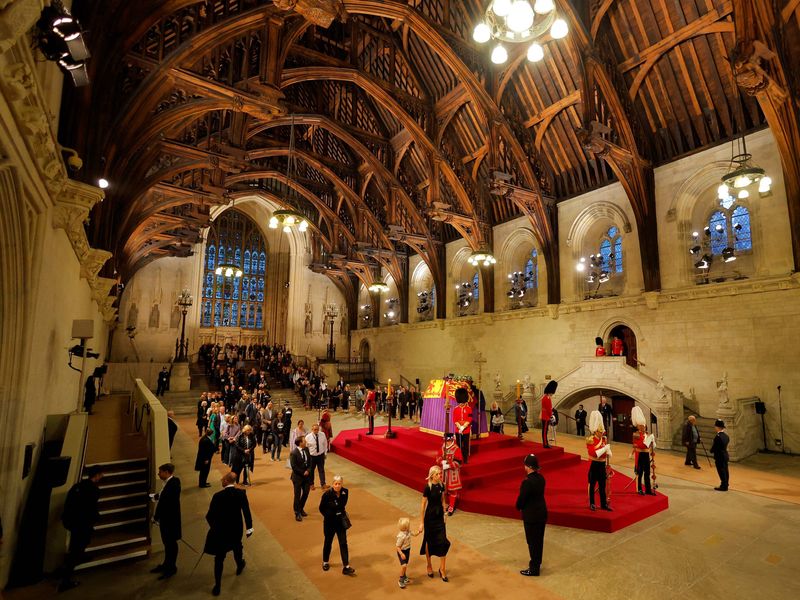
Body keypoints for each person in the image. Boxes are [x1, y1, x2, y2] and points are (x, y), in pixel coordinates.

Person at [204, 472, 253, 596]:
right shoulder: (241, 494)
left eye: (222, 479)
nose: (221, 481)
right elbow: (246, 511)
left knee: (219, 558)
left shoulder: (217, 496)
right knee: (237, 547)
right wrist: (249, 528)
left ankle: (217, 585)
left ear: (226, 481)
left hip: (221, 531)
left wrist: (215, 528)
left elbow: (209, 516)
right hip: (236, 529)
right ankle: (239, 565)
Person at [59, 465, 103, 592]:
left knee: (76, 546)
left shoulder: (77, 487)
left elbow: (69, 503)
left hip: (74, 522)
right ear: (97, 475)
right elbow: (91, 508)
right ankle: (65, 580)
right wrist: (95, 518)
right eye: (101, 474)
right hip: (83, 524)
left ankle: (77, 559)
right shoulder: (94, 490)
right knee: (76, 549)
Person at [516, 454, 547, 577]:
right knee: (539, 541)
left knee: (532, 542)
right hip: (541, 514)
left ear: (528, 467)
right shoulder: (541, 478)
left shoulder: (527, 482)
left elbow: (521, 500)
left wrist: (518, 506)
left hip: (531, 516)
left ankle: (534, 568)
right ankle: (537, 564)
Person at [419, 465, 450, 582]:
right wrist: (421, 522)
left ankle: (442, 568)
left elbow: (443, 499)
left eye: (440, 473)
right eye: (437, 474)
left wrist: (445, 511)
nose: (439, 476)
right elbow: (423, 505)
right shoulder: (428, 487)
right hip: (430, 518)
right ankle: (429, 565)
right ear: (432, 475)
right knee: (429, 541)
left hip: (439, 518)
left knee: (443, 541)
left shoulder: (442, 485)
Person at [319, 475, 355, 575]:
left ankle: (346, 566)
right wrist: (329, 516)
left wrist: (338, 511)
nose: (338, 486)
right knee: (328, 542)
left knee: (343, 543)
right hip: (329, 523)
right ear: (332, 484)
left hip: (340, 523)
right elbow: (321, 508)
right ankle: (325, 561)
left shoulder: (345, 492)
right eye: (336, 484)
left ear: (342, 484)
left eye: (339, 484)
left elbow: (342, 505)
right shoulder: (327, 495)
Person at [151, 463, 181, 579]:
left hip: (170, 521)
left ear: (167, 472)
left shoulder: (173, 484)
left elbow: (164, 503)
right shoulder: (170, 482)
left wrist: (155, 517)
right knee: (167, 544)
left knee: (171, 545)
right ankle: (166, 564)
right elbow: (162, 495)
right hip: (167, 520)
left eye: (160, 472)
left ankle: (171, 567)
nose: (158, 474)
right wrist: (154, 497)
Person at [586, 411, 612, 511]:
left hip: (602, 464)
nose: (602, 433)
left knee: (602, 485)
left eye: (602, 432)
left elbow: (607, 454)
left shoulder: (604, 440)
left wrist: (608, 451)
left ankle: (603, 504)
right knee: (592, 484)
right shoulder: (591, 440)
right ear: (596, 431)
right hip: (594, 464)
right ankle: (592, 503)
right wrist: (605, 449)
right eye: (600, 432)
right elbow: (593, 453)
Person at [630, 406, 656, 496]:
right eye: (641, 425)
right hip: (640, 454)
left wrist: (652, 441)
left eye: (644, 425)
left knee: (647, 472)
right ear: (638, 426)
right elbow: (639, 445)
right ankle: (639, 489)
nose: (643, 427)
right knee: (640, 472)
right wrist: (648, 441)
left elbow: (651, 445)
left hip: (646, 454)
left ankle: (648, 489)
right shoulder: (636, 434)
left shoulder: (647, 434)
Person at [437, 434, 463, 515]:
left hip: (452, 473)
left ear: (452, 440)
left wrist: (449, 465)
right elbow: (438, 457)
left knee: (452, 490)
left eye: (448, 441)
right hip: (443, 473)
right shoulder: (443, 447)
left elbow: (459, 462)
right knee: (443, 489)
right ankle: (444, 504)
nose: (447, 442)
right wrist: (441, 462)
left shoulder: (456, 449)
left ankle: (451, 506)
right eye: (446, 441)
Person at [290, 436, 313, 521]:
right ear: (300, 443)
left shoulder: (306, 449)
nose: (306, 442)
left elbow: (310, 462)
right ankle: (297, 513)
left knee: (306, 493)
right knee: (297, 495)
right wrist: (303, 472)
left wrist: (308, 470)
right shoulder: (294, 453)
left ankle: (300, 508)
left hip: (306, 477)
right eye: (304, 441)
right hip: (297, 478)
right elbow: (294, 466)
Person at [395, 517, 420, 589]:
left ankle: (404, 576)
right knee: (404, 565)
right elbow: (397, 547)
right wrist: (401, 554)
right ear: (406, 527)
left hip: (407, 550)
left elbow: (414, 534)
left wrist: (419, 532)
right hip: (401, 552)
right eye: (408, 525)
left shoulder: (408, 531)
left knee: (406, 564)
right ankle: (401, 580)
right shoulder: (401, 536)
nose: (409, 526)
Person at [306, 423, 329, 490]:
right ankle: (311, 484)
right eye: (315, 429)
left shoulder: (322, 434)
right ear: (312, 429)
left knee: (321, 470)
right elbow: (306, 447)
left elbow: (325, 444)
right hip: (312, 456)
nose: (316, 431)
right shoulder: (308, 437)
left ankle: (323, 484)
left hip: (320, 456)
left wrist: (325, 453)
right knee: (311, 471)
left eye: (317, 429)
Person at [452, 387, 472, 463]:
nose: (462, 403)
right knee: (458, 445)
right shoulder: (455, 409)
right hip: (458, 430)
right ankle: (458, 458)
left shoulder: (469, 409)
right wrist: (459, 427)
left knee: (466, 445)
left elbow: (469, 419)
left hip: (466, 430)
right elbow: (455, 420)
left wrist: (463, 427)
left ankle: (465, 458)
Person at [711, 419, 730, 491]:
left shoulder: (718, 436)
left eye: (715, 426)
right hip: (725, 455)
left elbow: (715, 447)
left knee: (721, 471)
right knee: (725, 470)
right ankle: (726, 484)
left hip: (719, 456)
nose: (715, 427)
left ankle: (723, 486)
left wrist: (711, 450)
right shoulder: (726, 436)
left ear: (717, 427)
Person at [540, 380, 557, 448]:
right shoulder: (547, 398)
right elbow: (548, 409)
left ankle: (546, 443)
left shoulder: (545, 397)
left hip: (545, 415)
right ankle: (545, 444)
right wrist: (551, 416)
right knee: (545, 431)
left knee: (545, 430)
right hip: (546, 416)